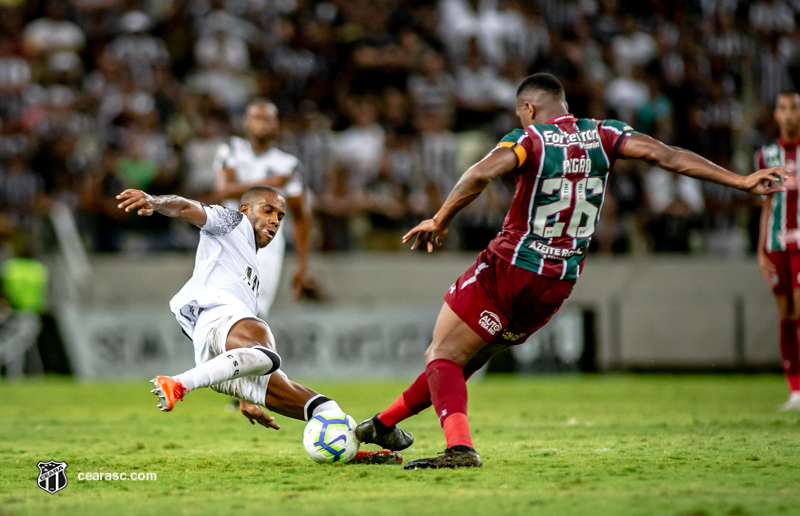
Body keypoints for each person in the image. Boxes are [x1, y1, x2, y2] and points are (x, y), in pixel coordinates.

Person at [355, 73, 787, 469]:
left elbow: (480, 174)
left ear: (528, 109)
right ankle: (382, 425)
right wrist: (741, 181)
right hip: (556, 284)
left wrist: (442, 217)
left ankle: (459, 449)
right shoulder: (606, 133)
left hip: (510, 265)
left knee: (443, 355)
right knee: (461, 361)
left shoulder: (530, 138)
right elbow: (667, 156)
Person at [116, 186, 399, 464]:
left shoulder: (249, 263)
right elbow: (185, 206)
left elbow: (235, 351)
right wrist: (154, 201)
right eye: (268, 210)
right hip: (218, 318)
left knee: (326, 409)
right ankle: (180, 383)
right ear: (245, 210)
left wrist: (243, 396)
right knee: (266, 353)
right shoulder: (232, 222)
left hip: (218, 350)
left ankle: (348, 453)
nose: (275, 220)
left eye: (280, 216)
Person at [214, 99, 314, 318]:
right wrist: (272, 182)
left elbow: (301, 217)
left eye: (267, 119)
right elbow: (224, 190)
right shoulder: (232, 149)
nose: (261, 124)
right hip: (231, 241)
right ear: (246, 122)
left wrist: (303, 265)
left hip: (268, 246)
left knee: (254, 313)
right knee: (225, 311)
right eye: (256, 118)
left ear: (277, 124)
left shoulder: (289, 164)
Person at [756, 91, 800, 412]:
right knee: (786, 314)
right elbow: (767, 204)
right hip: (775, 245)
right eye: (782, 108)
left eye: (794, 109)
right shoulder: (767, 154)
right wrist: (760, 251)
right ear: (775, 114)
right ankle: (795, 390)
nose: (788, 114)